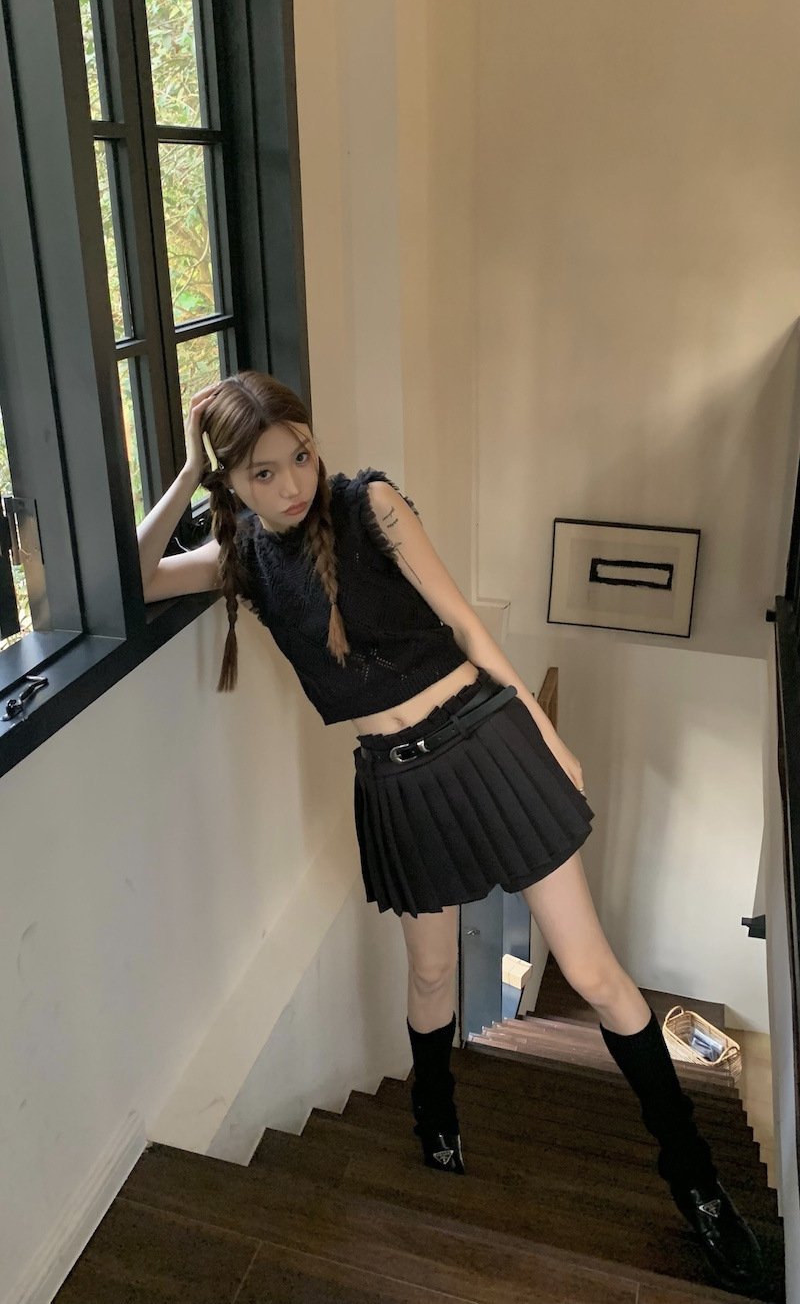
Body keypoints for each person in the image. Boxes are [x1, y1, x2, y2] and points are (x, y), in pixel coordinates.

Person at [136, 370, 763, 1293]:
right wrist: (189, 470)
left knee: (591, 971)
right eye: (262, 472)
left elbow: (466, 623)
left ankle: (698, 1180)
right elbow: (137, 574)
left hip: (486, 741)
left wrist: (547, 736)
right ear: (233, 482)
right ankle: (435, 1114)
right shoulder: (243, 560)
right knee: (431, 973)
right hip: (395, 783)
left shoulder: (371, 506)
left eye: (300, 455)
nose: (293, 482)